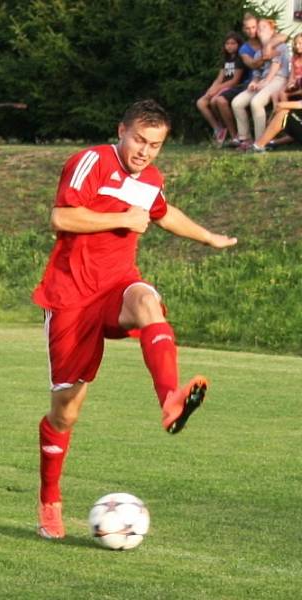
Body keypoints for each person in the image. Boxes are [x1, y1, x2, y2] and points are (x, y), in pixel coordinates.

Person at [31, 100, 237, 540]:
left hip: (117, 286)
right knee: (65, 413)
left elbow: (163, 214)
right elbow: (61, 217)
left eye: (156, 145)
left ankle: (170, 400)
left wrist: (209, 237)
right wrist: (123, 217)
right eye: (139, 140)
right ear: (121, 130)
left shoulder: (150, 180)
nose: (145, 151)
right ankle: (50, 498)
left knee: (148, 303)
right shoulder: (92, 161)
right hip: (71, 298)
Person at [231, 18, 289, 149]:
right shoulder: (259, 52)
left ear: (272, 31)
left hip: (278, 79)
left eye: (264, 28)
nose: (259, 30)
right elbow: (257, 72)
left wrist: (265, 82)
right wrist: (254, 81)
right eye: (259, 28)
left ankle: (261, 142)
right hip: (264, 80)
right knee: (237, 102)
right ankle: (245, 139)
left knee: (256, 102)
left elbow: (276, 66)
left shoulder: (280, 46)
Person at [196, 32, 244, 145]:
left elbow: (235, 80)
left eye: (233, 43)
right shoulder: (226, 60)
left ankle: (233, 134)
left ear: (238, 45)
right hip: (222, 87)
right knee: (201, 103)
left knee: (214, 101)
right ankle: (218, 128)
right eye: (227, 43)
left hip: (233, 87)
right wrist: (210, 90)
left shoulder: (239, 59)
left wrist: (216, 90)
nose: (230, 46)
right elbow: (219, 78)